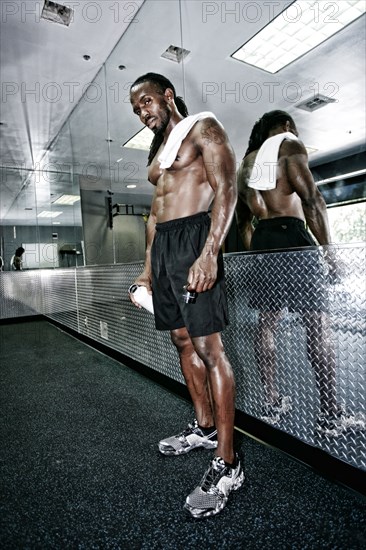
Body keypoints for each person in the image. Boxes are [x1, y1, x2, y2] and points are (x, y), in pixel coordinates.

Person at [129, 73, 244, 518]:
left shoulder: (203, 128)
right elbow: (155, 214)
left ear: (167, 95)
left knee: (208, 348)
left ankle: (228, 462)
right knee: (181, 341)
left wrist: (210, 252)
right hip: (165, 248)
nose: (142, 112)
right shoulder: (161, 149)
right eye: (136, 109)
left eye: (146, 102)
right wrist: (146, 271)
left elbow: (226, 190)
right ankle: (203, 427)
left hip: (197, 238)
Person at [236, 110, 362, 436]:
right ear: (287, 125)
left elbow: (243, 225)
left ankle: (271, 402)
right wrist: (330, 255)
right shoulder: (288, 143)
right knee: (318, 324)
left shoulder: (247, 163)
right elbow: (313, 200)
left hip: (262, 240)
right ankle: (331, 414)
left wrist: (260, 260)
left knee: (266, 325)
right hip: (292, 235)